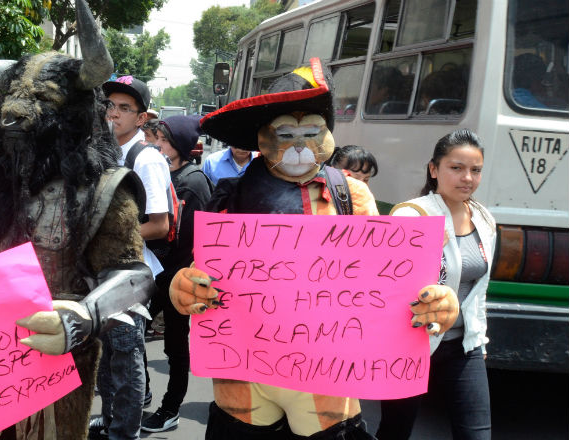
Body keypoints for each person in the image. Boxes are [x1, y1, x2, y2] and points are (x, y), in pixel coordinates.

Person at [169, 58, 459, 439]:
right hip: (245, 378)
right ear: (262, 136)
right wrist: (185, 287)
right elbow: (202, 275)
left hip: (326, 382)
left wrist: (435, 300)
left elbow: (388, 279)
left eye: (311, 132)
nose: (300, 146)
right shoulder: (233, 195)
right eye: (286, 134)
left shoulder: (350, 195)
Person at [0, 1, 155, 437]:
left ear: (73, 110)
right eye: (13, 98)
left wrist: (82, 317)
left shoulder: (106, 185)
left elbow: (134, 276)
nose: (16, 112)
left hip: (60, 359)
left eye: (42, 99)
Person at [377, 128, 495, 440]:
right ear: (434, 169)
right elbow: (386, 284)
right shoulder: (411, 216)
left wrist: (479, 337)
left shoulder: (484, 219)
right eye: (456, 168)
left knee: (476, 434)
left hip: (464, 346)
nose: (467, 178)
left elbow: (478, 290)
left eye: (475, 170)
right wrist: (424, 254)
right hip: (410, 344)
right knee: (395, 431)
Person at [98, 74, 170, 440]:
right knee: (107, 358)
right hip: (104, 272)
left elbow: (160, 225)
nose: (114, 114)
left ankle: (124, 432)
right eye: (110, 105)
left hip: (131, 274)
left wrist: (105, 238)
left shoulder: (146, 159)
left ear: (142, 118)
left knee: (126, 358)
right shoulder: (107, 153)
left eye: (125, 108)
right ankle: (110, 422)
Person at [141, 115, 212, 433]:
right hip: (153, 273)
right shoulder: (159, 172)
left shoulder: (193, 182)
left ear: (181, 146)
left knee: (175, 346)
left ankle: (170, 409)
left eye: (164, 140)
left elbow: (197, 239)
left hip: (178, 278)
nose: (157, 144)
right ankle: (141, 391)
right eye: (156, 137)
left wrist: (180, 280)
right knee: (130, 334)